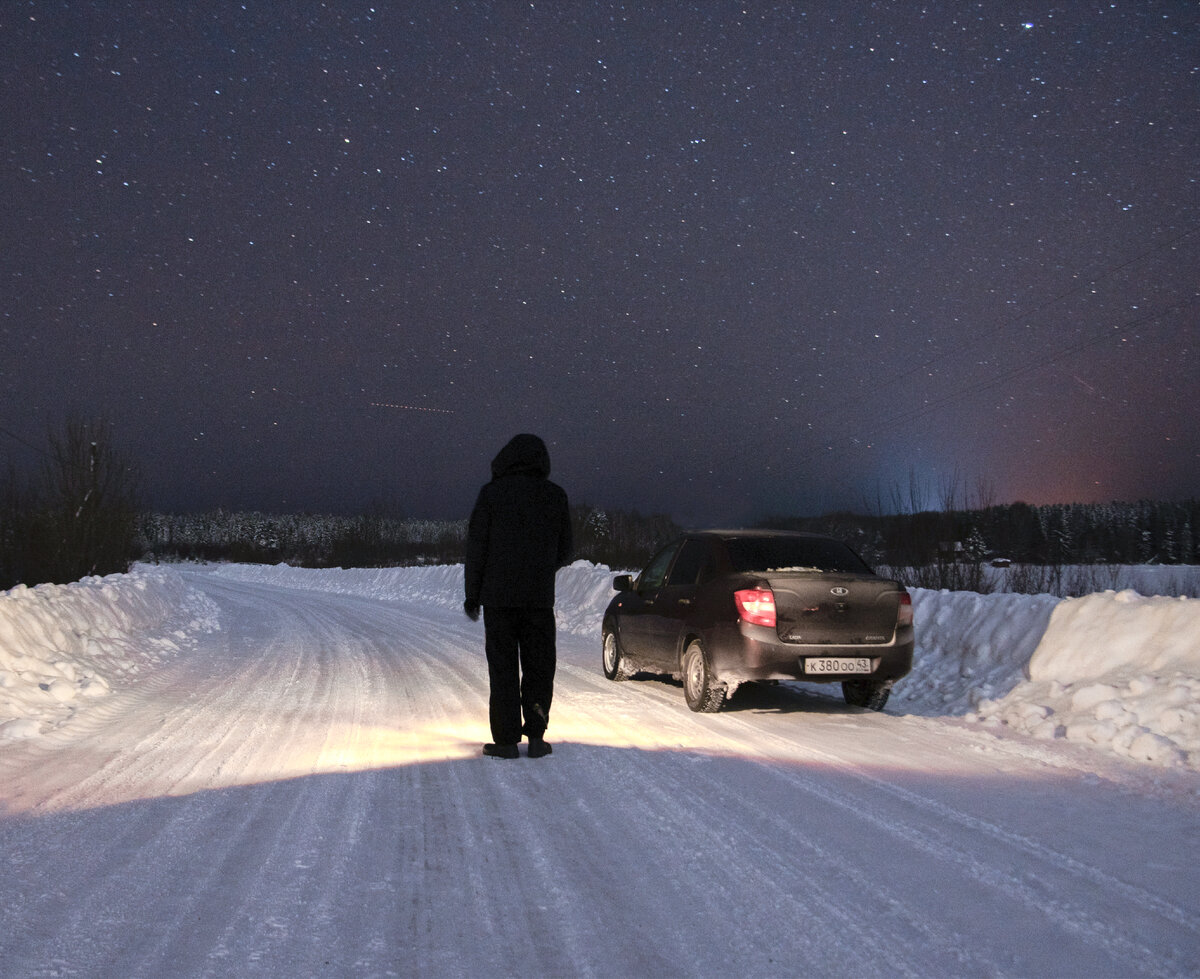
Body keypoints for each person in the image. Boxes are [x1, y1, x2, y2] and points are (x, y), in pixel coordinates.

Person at [464, 434, 573, 759]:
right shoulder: (555, 496)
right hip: (538, 601)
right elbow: (566, 548)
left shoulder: (491, 495)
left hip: (498, 601)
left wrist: (473, 595)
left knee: (503, 669)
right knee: (539, 666)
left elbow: (476, 549)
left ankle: (507, 740)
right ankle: (537, 738)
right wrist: (540, 569)